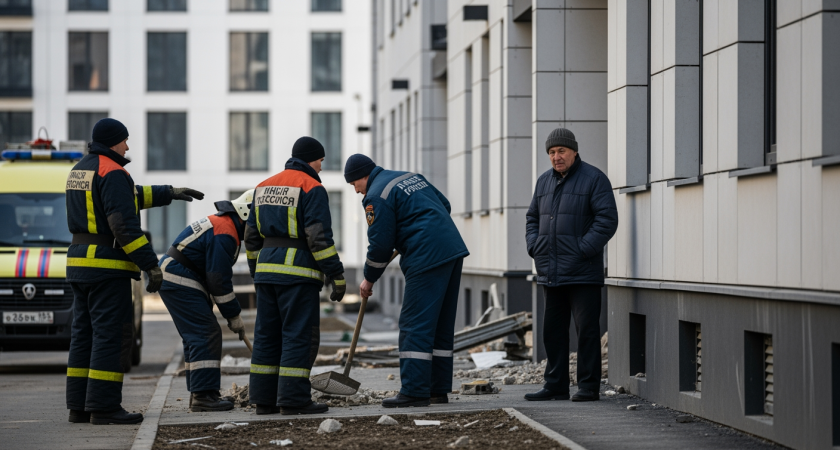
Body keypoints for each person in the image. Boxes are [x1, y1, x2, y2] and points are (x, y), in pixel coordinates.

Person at [65, 118, 204, 425]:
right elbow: (123, 224)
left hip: (79, 265)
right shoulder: (113, 171)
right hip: (106, 268)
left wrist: (169, 192)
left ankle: (79, 406)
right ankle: (104, 408)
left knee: (83, 336)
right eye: (125, 140)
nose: (127, 146)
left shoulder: (80, 170)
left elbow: (130, 197)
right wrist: (150, 265)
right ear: (113, 141)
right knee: (109, 336)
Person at [344, 154, 469, 408]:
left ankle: (414, 390)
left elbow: (379, 244)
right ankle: (437, 389)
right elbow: (443, 205)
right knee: (440, 324)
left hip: (427, 255)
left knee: (415, 323)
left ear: (362, 177)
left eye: (353, 185)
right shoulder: (409, 177)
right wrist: (415, 226)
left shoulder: (376, 195)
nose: (356, 191)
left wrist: (369, 279)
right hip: (452, 249)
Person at [244, 137, 345, 415]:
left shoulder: (263, 187)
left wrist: (257, 272)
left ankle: (264, 400)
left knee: (266, 336)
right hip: (298, 276)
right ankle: (293, 399)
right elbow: (318, 238)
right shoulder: (312, 187)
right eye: (321, 161)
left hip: (266, 275)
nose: (322, 168)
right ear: (312, 158)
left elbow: (251, 237)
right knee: (298, 335)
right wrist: (336, 274)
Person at [524, 128, 617, 402]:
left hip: (582, 271)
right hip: (550, 271)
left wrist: (582, 249)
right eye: (552, 152)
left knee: (586, 331)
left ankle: (588, 387)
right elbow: (532, 218)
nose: (556, 157)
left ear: (574, 151)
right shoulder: (543, 182)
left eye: (561, 151)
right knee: (552, 331)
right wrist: (534, 246)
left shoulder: (594, 179)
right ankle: (555, 385)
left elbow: (607, 220)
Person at [157, 190, 254, 412]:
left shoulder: (224, 225)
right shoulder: (225, 232)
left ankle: (204, 393)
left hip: (179, 275)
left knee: (197, 335)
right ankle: (203, 397)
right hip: (178, 276)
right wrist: (233, 315)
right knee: (205, 333)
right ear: (245, 215)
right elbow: (219, 280)